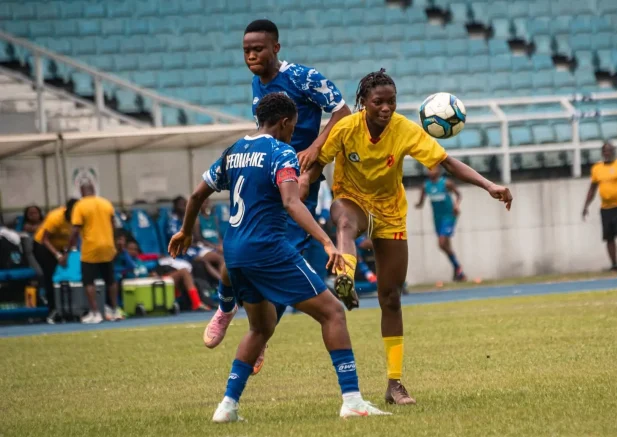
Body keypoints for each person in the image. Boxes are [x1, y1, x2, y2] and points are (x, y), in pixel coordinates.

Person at [169, 92, 388, 421]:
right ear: (285, 123)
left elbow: (198, 194)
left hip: (236, 254)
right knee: (333, 313)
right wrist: (327, 242)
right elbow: (291, 203)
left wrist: (186, 231)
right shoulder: (281, 151)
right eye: (293, 128)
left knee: (261, 328)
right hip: (268, 250)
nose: (293, 134)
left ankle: (227, 406)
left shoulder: (234, 151)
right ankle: (353, 400)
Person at [300, 69, 513, 405]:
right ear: (363, 103)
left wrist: (489, 185)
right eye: (378, 102)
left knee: (391, 298)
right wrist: (302, 184)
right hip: (351, 201)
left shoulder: (404, 130)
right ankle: (345, 276)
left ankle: (394, 384)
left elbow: (447, 162)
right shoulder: (345, 128)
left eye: (392, 102)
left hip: (389, 214)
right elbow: (316, 165)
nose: (386, 108)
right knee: (343, 222)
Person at [202, 18, 351, 352]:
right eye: (246, 50)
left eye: (258, 49)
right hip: (264, 179)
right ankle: (226, 307)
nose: (251, 55)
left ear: (276, 48)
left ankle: (260, 337)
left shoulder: (303, 77)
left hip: (298, 179)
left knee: (283, 256)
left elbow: (343, 111)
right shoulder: (257, 85)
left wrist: (314, 148)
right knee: (244, 246)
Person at [65, 183, 122, 324]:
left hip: (90, 247)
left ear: (81, 192)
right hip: (107, 246)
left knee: (89, 281)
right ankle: (115, 310)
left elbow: (75, 229)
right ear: (94, 190)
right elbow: (113, 224)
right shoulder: (106, 203)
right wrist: (114, 242)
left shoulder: (80, 205)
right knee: (110, 279)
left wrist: (68, 248)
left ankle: (95, 313)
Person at [581, 142, 617, 271]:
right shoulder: (597, 168)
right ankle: (614, 265)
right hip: (606, 208)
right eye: (605, 151)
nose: (607, 153)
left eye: (609, 150)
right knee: (609, 238)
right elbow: (592, 189)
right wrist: (586, 206)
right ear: (602, 153)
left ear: (614, 151)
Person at [415, 165, 466, 281]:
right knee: (446, 246)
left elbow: (458, 194)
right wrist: (417, 205)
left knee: (441, 243)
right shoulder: (425, 186)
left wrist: (456, 206)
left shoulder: (446, 183)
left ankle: (458, 268)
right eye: (428, 169)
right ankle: (458, 271)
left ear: (439, 170)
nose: (430, 171)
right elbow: (421, 202)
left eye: (433, 169)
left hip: (448, 217)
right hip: (437, 219)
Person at [33, 199, 77, 324]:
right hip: (43, 247)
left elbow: (74, 237)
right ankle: (53, 310)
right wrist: (58, 256)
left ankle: (67, 309)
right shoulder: (56, 217)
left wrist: (67, 254)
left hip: (61, 248)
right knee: (52, 276)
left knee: (67, 276)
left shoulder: (78, 219)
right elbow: (44, 239)